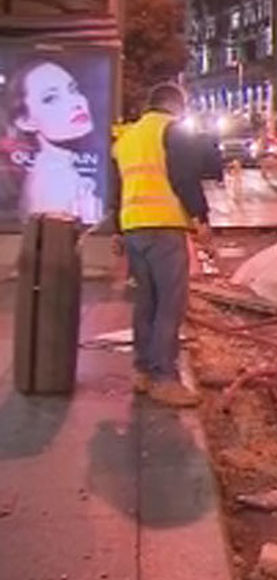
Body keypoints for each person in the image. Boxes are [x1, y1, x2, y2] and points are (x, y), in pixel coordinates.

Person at [104, 83, 212, 407]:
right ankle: (164, 378)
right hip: (164, 228)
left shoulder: (127, 138)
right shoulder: (172, 131)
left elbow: (117, 188)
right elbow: (184, 178)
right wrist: (200, 219)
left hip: (134, 229)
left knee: (145, 302)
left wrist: (117, 231)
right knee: (170, 304)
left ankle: (142, 371)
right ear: (175, 106)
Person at [4, 58, 103, 224]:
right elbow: (54, 246)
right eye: (51, 98)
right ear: (25, 121)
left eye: (73, 90)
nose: (75, 103)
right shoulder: (54, 181)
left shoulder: (59, 170)